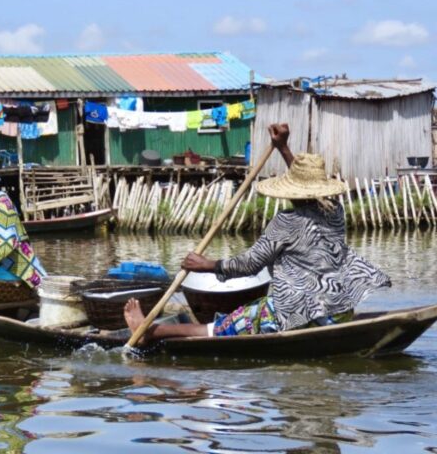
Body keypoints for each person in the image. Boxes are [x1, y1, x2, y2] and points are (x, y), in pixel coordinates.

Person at [123, 123, 392, 344]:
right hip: (339, 308)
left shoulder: (286, 222)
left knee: (219, 328)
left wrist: (206, 265)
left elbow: (250, 264)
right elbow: (307, 183)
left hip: (295, 312)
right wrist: (283, 147)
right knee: (253, 310)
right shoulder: (335, 211)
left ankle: (148, 333)